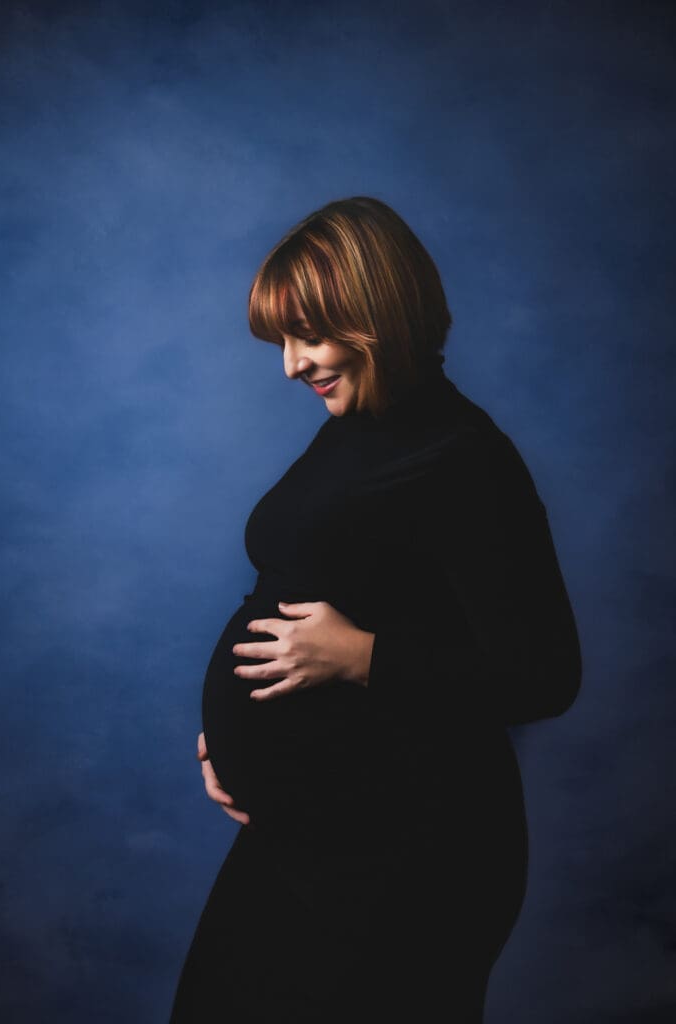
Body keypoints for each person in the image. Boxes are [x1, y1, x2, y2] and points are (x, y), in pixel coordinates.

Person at [169, 196, 582, 1023]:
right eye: (282, 342)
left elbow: (544, 676)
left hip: (406, 854)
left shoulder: (464, 458)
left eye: (308, 337)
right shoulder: (358, 422)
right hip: (310, 832)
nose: (292, 366)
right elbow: (310, 575)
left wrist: (359, 655)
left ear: (377, 316)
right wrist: (241, 739)